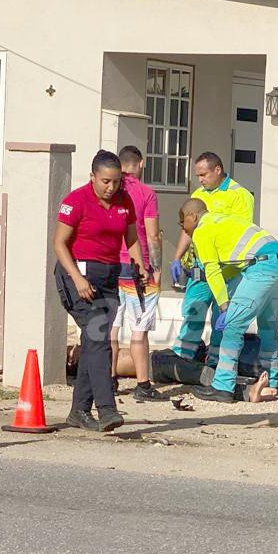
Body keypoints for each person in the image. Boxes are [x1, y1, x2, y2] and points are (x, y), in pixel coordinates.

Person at [53, 150, 154, 432]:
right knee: (99, 339)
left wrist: (140, 266)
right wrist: (77, 278)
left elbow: (131, 239)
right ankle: (107, 409)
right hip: (78, 276)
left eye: (116, 181)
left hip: (109, 278)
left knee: (93, 341)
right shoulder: (76, 201)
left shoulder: (124, 201)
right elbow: (59, 243)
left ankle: (79, 411)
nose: (111, 187)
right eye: (106, 181)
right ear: (93, 177)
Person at [178, 199, 278, 404]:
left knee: (232, 327)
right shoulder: (224, 221)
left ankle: (223, 386)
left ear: (192, 216)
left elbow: (212, 270)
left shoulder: (202, 229)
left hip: (261, 268)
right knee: (268, 327)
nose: (183, 228)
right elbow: (231, 267)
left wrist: (224, 305)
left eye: (182, 222)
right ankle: (272, 382)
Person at [169, 152, 255, 365]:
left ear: (218, 170)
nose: (200, 180)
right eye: (198, 175)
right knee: (193, 311)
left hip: (226, 268)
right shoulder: (199, 194)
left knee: (221, 317)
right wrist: (176, 257)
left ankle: (216, 364)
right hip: (201, 264)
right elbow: (188, 228)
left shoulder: (239, 195)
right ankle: (182, 360)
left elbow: (240, 233)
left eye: (204, 175)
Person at [110, 145, 162, 402]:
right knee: (139, 332)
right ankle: (143, 385)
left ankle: (109, 381)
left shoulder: (111, 190)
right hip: (137, 268)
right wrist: (157, 269)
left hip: (110, 266)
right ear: (141, 163)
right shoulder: (146, 193)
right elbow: (152, 236)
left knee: (111, 328)